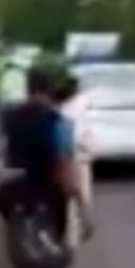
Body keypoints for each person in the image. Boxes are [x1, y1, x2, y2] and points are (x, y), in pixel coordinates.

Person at [0, 66, 92, 268]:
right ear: (52, 89)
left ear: (28, 87)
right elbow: (65, 173)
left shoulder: (11, 118)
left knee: (23, 256)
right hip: (47, 205)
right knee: (53, 259)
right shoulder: (58, 124)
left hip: (16, 199)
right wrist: (83, 212)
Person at [52, 74, 95, 250]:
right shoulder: (79, 106)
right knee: (79, 194)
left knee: (69, 196)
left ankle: (71, 235)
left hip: (66, 153)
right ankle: (77, 231)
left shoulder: (59, 109)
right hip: (77, 154)